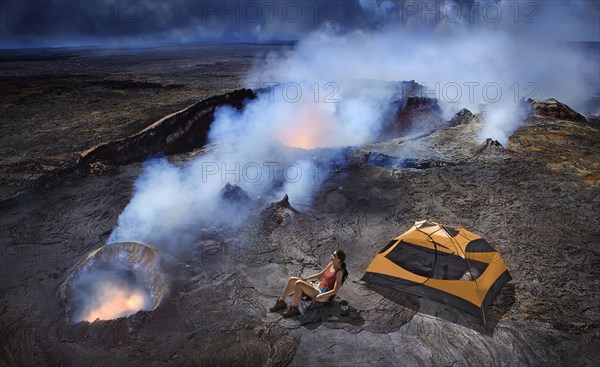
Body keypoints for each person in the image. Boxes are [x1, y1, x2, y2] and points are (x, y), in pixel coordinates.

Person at [269, 250, 347, 318]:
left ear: (339, 260)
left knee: (298, 283)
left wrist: (320, 296)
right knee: (292, 279)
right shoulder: (331, 264)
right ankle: (281, 302)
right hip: (317, 286)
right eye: (332, 254)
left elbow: (335, 290)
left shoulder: (339, 272)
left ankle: (294, 308)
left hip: (323, 294)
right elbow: (320, 274)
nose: (331, 256)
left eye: (334, 255)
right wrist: (307, 279)